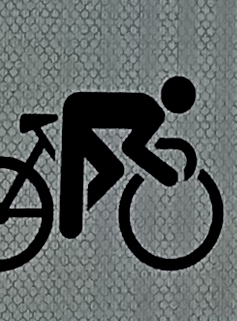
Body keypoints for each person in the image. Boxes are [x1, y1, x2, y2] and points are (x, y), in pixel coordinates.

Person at [59, 77, 197, 241]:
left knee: (112, 170)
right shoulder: (153, 112)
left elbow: (132, 147)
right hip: (77, 114)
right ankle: (69, 218)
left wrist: (166, 174)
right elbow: (132, 147)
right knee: (111, 170)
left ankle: (71, 213)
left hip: (77, 107)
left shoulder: (150, 107)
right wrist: (167, 175)